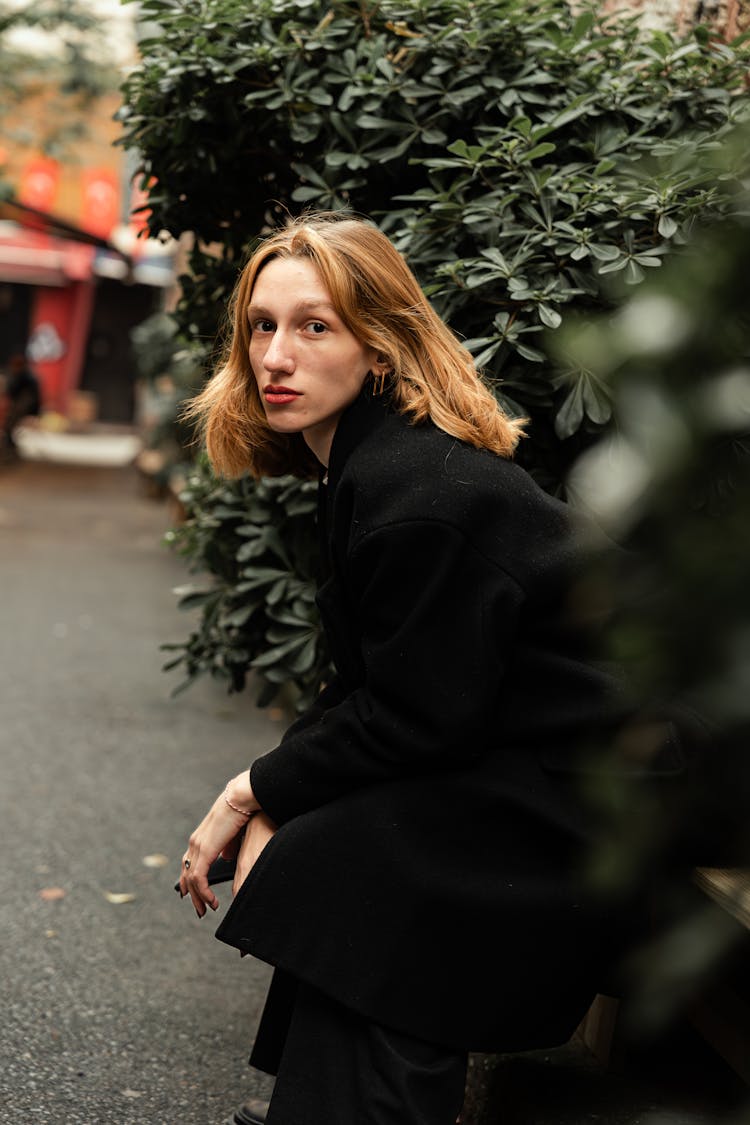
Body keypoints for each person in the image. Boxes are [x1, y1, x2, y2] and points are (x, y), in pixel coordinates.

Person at [178, 212, 677, 1125]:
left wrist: (255, 791)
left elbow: (418, 718)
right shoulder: (373, 467)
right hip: (527, 752)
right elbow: (377, 686)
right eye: (262, 325)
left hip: (602, 784)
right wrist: (268, 792)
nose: (275, 356)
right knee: (340, 843)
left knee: (363, 861)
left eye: (313, 325)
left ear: (381, 347)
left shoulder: (414, 489)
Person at [1, 353, 41, 458]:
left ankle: (9, 446)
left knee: (9, 425)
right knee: (8, 424)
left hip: (25, 408)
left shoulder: (27, 378)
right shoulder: (16, 376)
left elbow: (31, 399)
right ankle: (9, 444)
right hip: (19, 407)